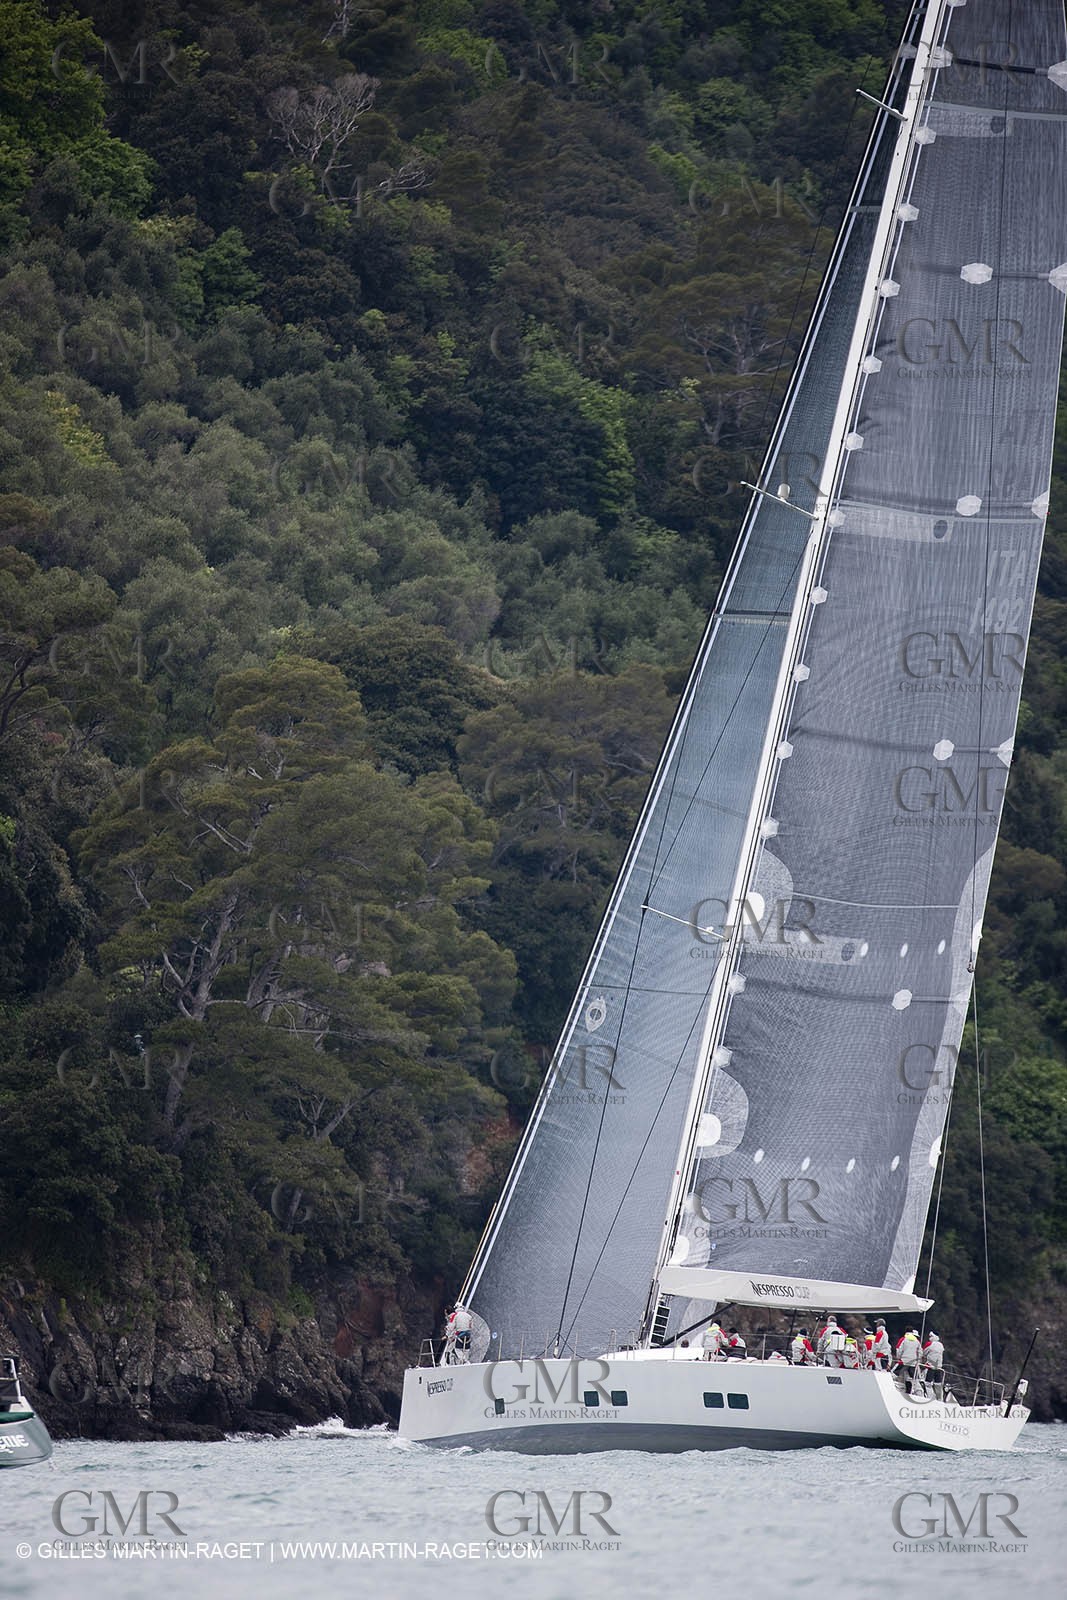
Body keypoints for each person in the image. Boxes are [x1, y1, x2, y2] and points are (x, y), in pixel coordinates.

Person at [894, 1328, 921, 1393]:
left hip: (904, 1361)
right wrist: (917, 1360)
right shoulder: (917, 1342)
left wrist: (899, 1358)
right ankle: (918, 1392)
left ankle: (896, 1389)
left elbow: (899, 1350)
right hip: (913, 1363)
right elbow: (920, 1352)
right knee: (914, 1379)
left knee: (894, 1374)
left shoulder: (904, 1340)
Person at [922, 1331, 945, 1398]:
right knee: (938, 1384)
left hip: (930, 1366)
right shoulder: (941, 1345)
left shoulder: (929, 1344)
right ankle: (940, 1398)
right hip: (939, 1367)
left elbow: (924, 1353)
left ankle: (930, 1397)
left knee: (927, 1383)